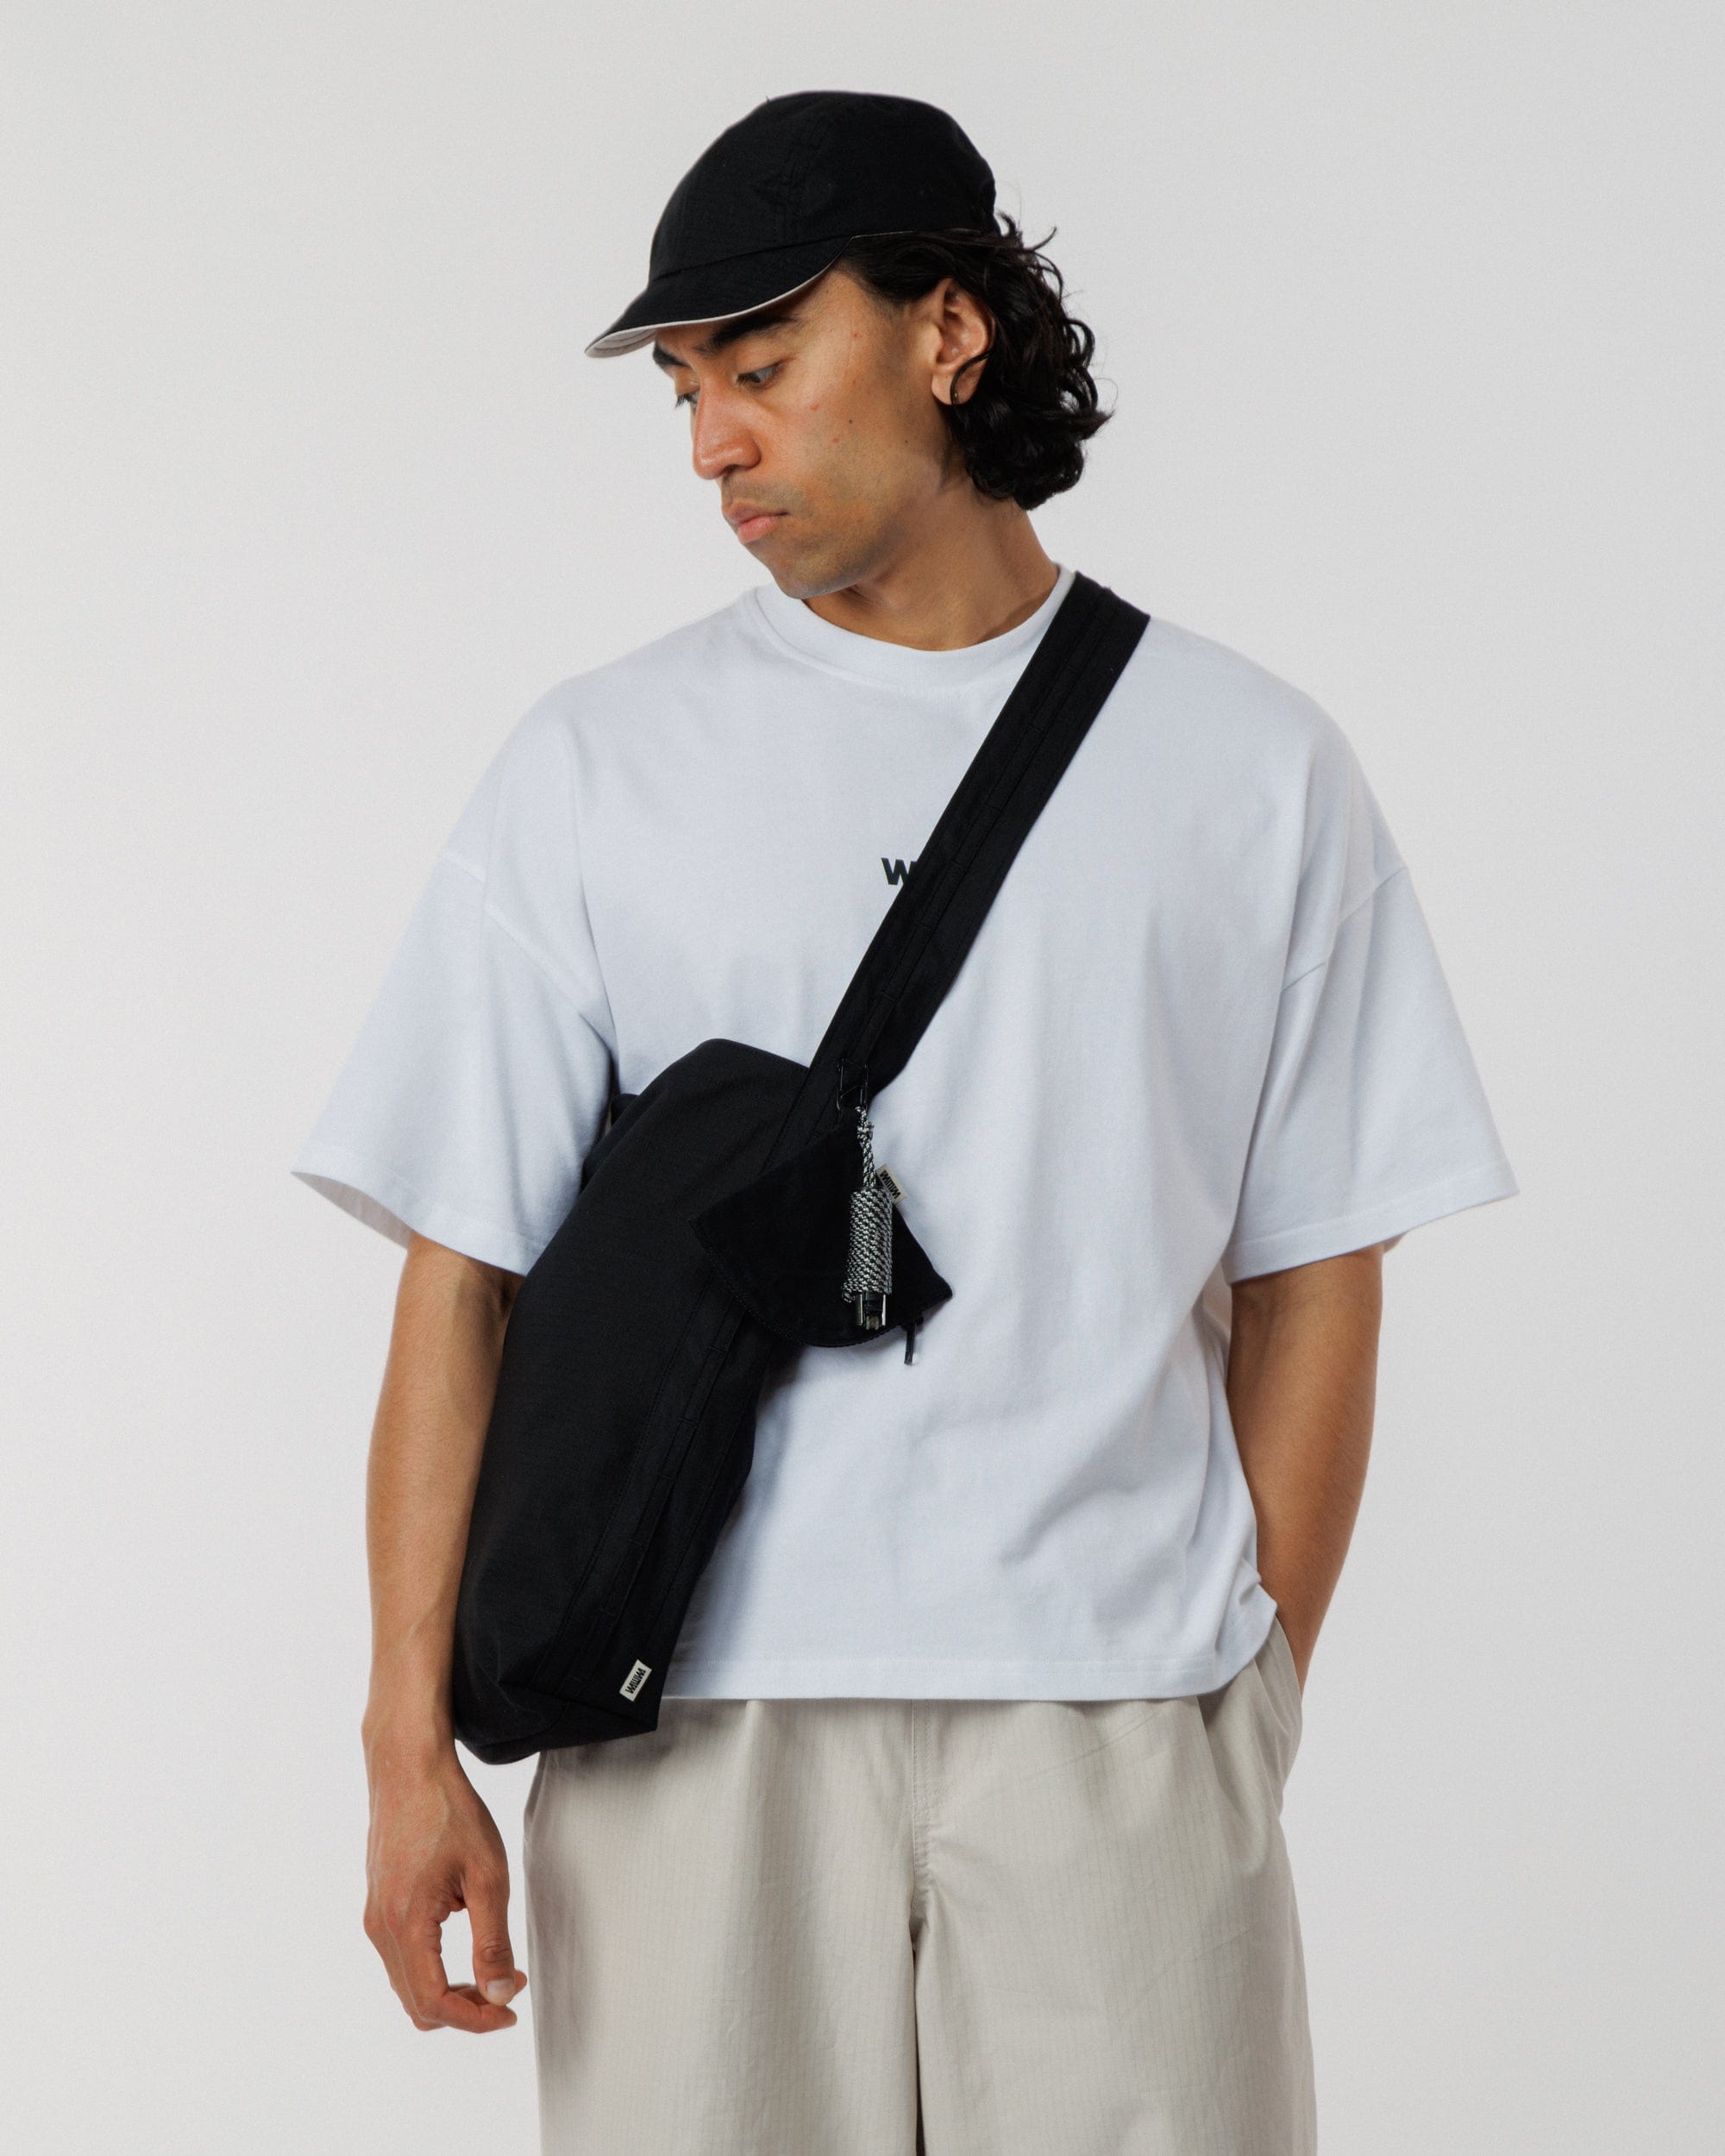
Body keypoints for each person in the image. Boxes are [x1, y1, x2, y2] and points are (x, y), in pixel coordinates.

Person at [292, 90, 1517, 2156]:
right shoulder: (597, 768)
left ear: (950, 333)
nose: (710, 443)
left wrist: (1250, 1688)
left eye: (761, 366)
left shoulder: (1248, 767)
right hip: (690, 1722)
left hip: (1121, 1722)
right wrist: (403, 1742)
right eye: (684, 389)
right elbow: (459, 1271)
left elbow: (1321, 1261)